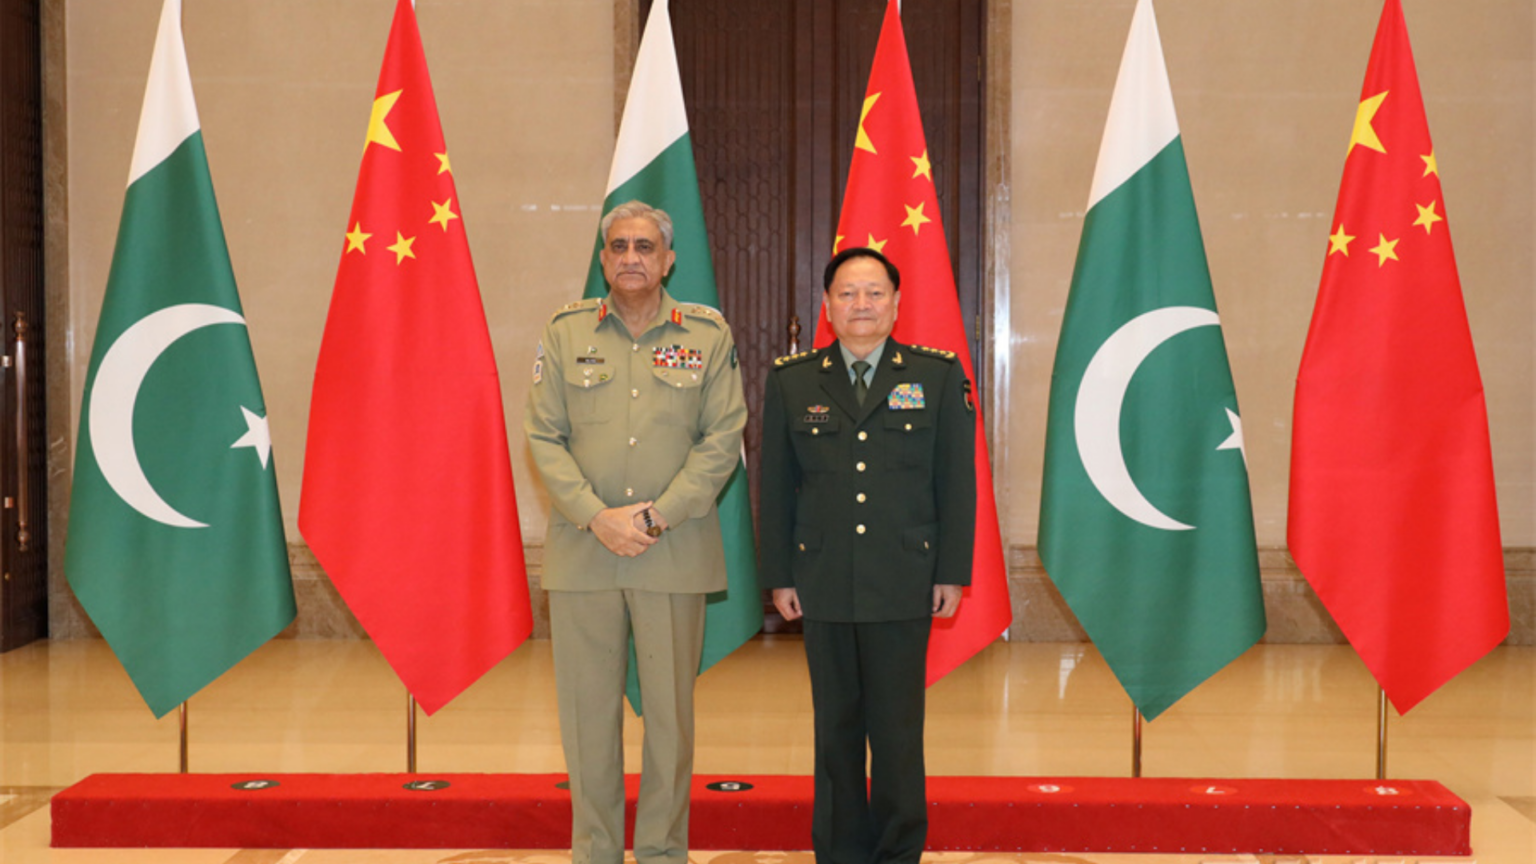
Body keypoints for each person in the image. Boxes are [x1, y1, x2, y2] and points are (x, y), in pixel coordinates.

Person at [525, 200, 747, 864]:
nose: (631, 258)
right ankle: (594, 850)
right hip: (584, 552)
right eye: (618, 246)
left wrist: (654, 516)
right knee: (586, 720)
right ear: (602, 259)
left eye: (644, 247)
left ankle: (660, 852)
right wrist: (597, 515)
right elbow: (543, 436)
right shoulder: (566, 333)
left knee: (670, 723)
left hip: (670, 553)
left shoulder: (707, 335)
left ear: (667, 259)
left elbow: (722, 438)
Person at [758, 246, 976, 864]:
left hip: (905, 578)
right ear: (827, 307)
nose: (861, 304)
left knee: (899, 733)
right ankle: (841, 851)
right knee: (836, 732)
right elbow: (776, 485)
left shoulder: (934, 375)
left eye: (874, 292)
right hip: (822, 579)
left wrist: (952, 572)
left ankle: (900, 851)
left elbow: (955, 482)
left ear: (896, 303)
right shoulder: (793, 379)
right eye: (848, 293)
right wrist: (779, 574)